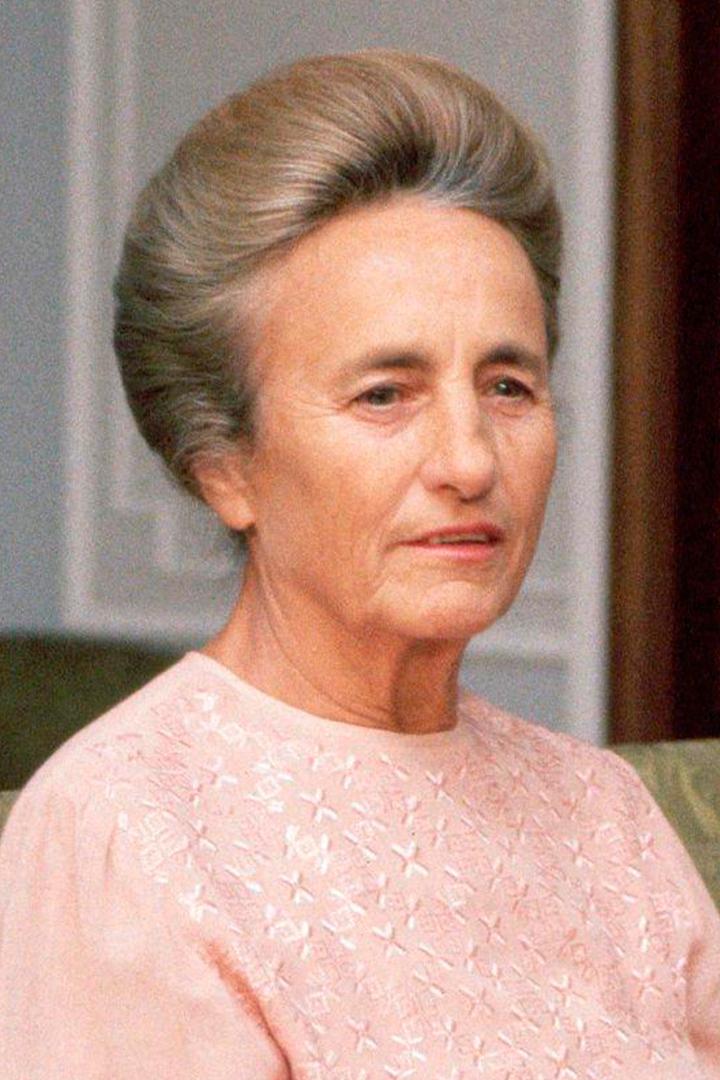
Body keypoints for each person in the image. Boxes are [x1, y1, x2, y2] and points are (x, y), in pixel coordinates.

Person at [0, 49, 718, 1079]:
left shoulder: (604, 815)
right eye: (386, 394)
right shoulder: (128, 833)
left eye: (508, 386)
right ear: (223, 466)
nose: (471, 461)